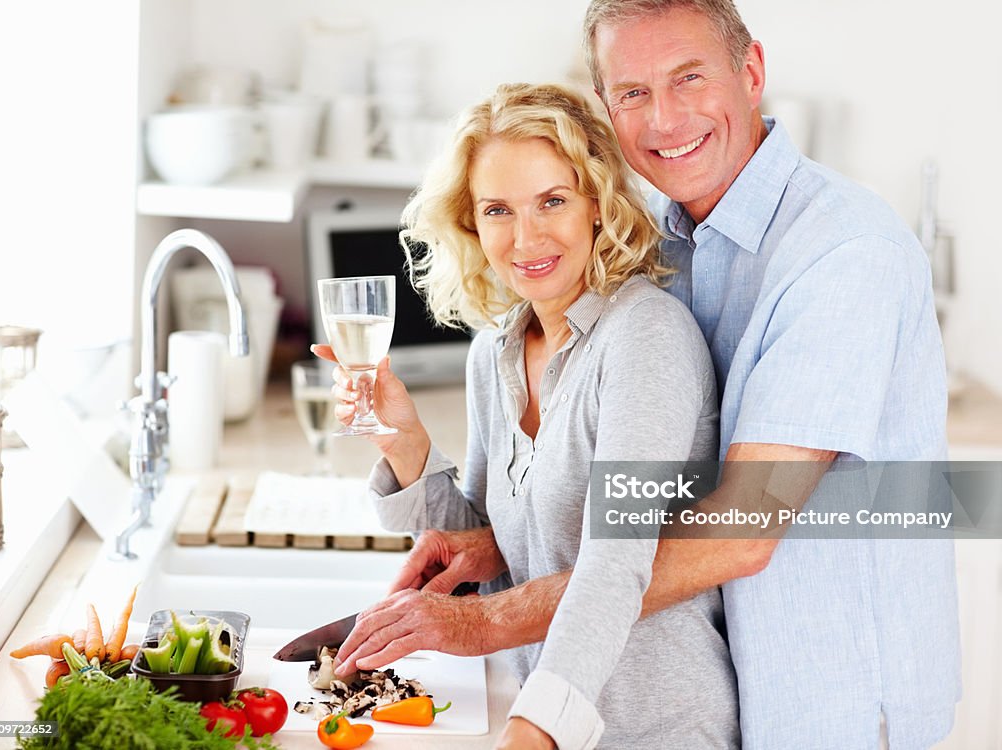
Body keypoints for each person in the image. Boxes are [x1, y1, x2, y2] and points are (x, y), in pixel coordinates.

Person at [331, 2, 962, 749]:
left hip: (837, 695)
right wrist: (485, 528)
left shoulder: (842, 256)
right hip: (710, 691)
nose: (663, 118)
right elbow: (632, 489)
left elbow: (739, 533)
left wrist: (483, 623)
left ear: (751, 72)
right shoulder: (664, 246)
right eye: (632, 91)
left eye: (688, 78)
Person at [314, 82, 740, 749]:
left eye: (553, 201)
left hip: (656, 728)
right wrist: (405, 442)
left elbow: (617, 562)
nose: (526, 236)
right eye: (498, 211)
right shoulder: (494, 354)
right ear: (471, 225)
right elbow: (489, 552)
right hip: (536, 716)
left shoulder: (645, 337)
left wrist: (532, 730)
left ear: (597, 204)